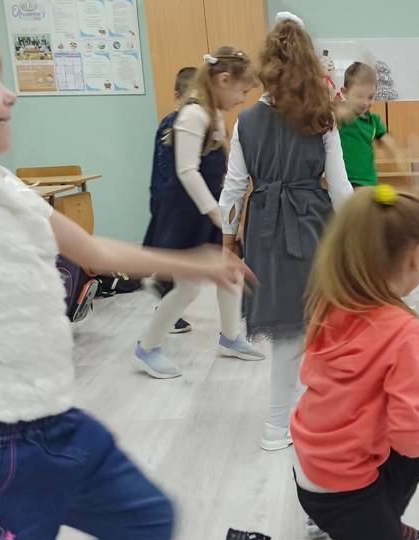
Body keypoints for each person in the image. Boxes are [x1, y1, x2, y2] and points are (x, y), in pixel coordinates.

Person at [0, 7, 253, 540]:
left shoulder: (3, 185)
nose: (10, 94)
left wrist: (193, 262)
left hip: (52, 421)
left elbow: (93, 251)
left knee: (147, 522)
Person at [224, 185, 419, 540]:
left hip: (313, 463)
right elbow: (406, 433)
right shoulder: (407, 332)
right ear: (418, 257)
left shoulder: (332, 301)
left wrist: (417, 418)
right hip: (343, 486)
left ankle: (381, 527)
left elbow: (352, 387)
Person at [219, 12, 354, 451]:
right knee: (322, 324)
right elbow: (341, 189)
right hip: (313, 225)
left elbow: (233, 189)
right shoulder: (322, 118)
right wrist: (359, 237)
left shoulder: (246, 122)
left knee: (286, 331)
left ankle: (280, 424)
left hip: (264, 230)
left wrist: (228, 244)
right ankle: (309, 419)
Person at [133, 48, 265, 379]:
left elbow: (215, 170)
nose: (243, 99)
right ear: (224, 80)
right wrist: (215, 213)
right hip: (185, 214)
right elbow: (186, 171)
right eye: (242, 91)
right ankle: (147, 348)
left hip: (206, 209)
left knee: (230, 270)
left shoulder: (214, 114)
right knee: (188, 288)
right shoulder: (193, 115)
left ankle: (231, 337)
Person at [142, 66, 197, 335]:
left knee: (182, 256)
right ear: (177, 96)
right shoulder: (172, 124)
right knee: (176, 257)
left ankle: (164, 286)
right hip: (170, 201)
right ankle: (165, 300)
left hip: (177, 201)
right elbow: (169, 169)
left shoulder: (190, 125)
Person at [336, 61, 395, 187]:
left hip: (369, 183)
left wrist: (395, 151)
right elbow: (336, 113)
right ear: (345, 92)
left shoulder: (374, 121)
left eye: (371, 97)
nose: (365, 103)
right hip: (344, 182)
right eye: (360, 96)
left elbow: (387, 141)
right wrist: (343, 114)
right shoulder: (340, 115)